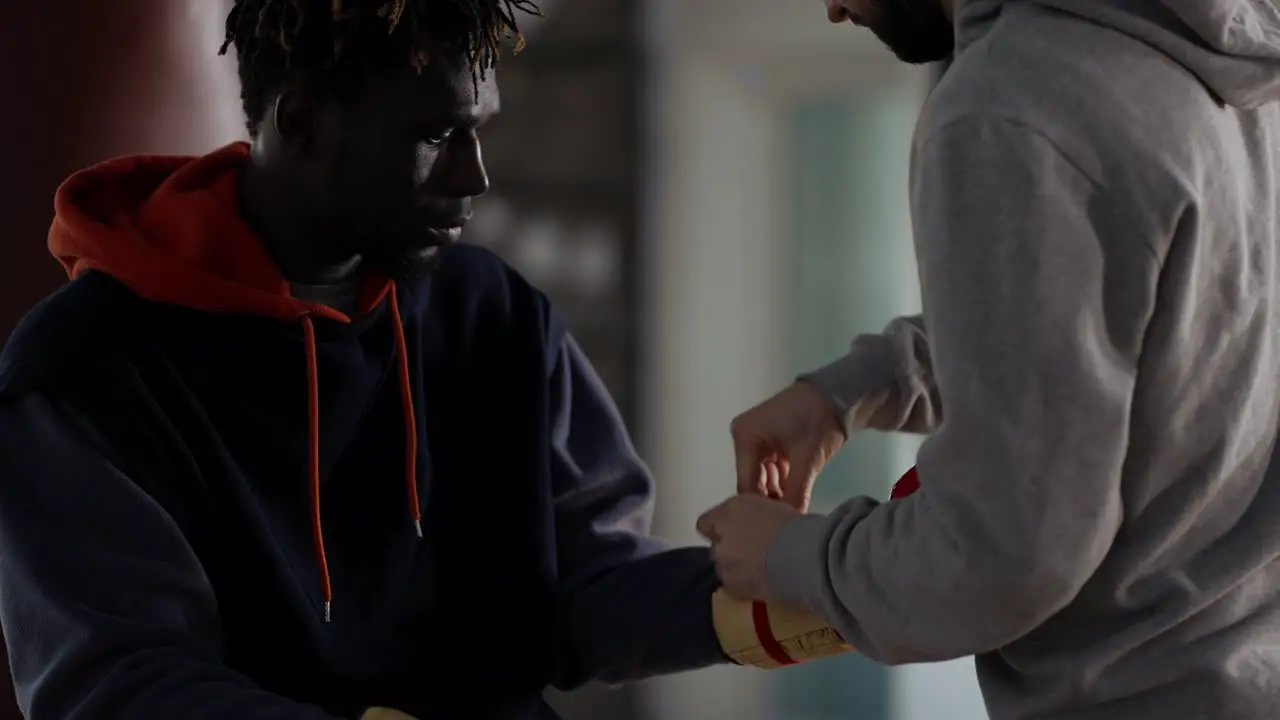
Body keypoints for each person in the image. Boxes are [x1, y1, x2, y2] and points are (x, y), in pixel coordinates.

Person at [0, 2, 733, 718]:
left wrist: (804, 581)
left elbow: (586, 590)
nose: (473, 176)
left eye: (477, 132)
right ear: (303, 122)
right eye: (439, 135)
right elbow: (119, 683)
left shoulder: (491, 314)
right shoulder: (87, 367)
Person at [696, 0, 1280, 718]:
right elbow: (1152, 332)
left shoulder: (1010, 104)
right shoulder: (1229, 73)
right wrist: (857, 388)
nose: (833, 7)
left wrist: (792, 558)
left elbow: (1004, 555)